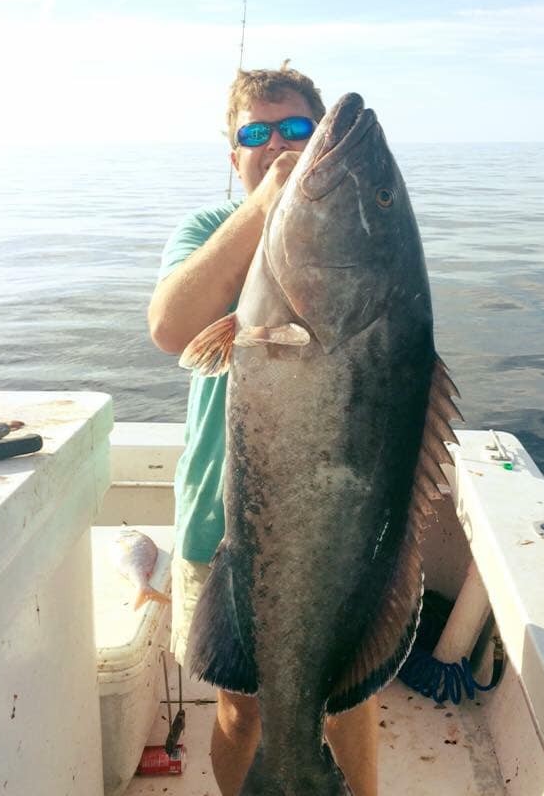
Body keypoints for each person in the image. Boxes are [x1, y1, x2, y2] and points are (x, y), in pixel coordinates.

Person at [148, 64, 379, 796]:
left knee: (349, 702)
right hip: (219, 527)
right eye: (256, 132)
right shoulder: (208, 231)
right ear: (233, 154)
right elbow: (172, 327)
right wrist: (271, 200)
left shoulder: (350, 239)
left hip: (340, 529)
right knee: (240, 709)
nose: (276, 143)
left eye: (296, 129)